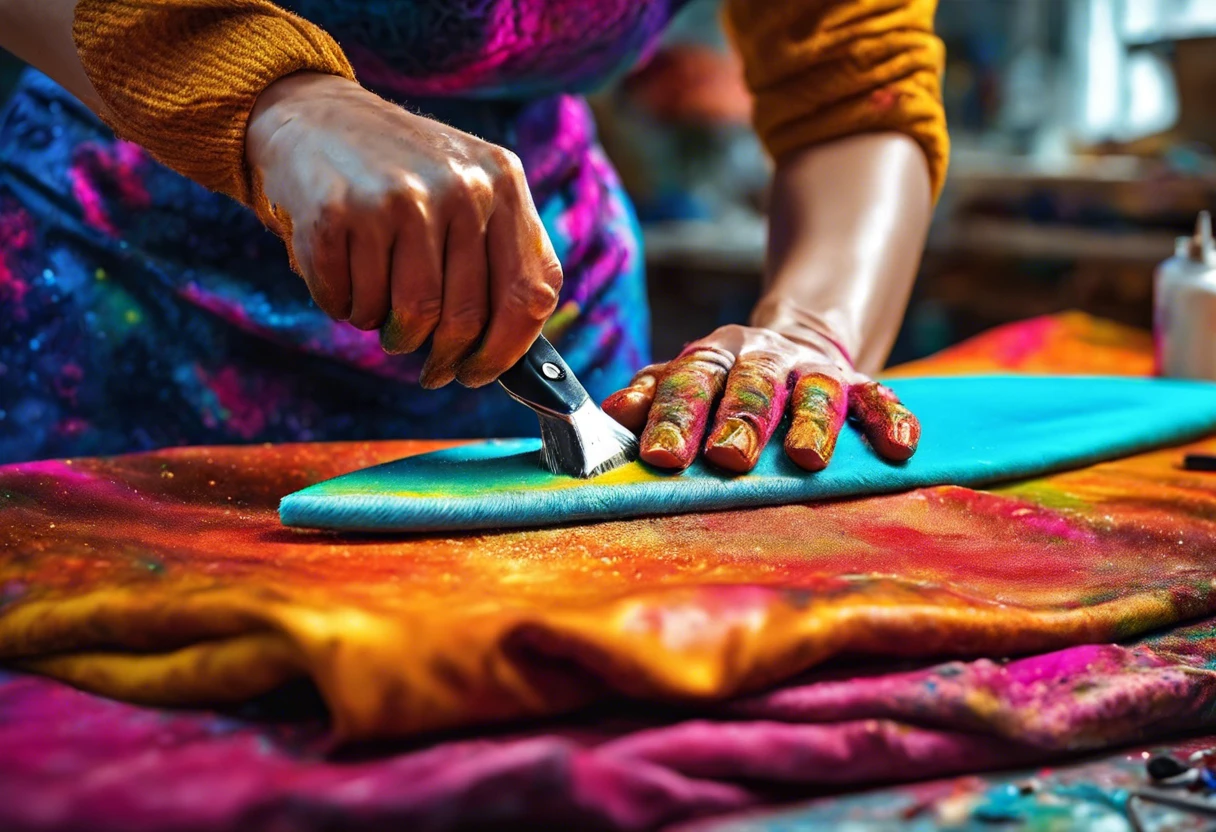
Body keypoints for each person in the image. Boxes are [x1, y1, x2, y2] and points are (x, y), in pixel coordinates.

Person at [0, 0, 946, 472]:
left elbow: (853, 78)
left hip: (552, 302)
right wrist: (283, 107)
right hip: (121, 297)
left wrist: (810, 332)